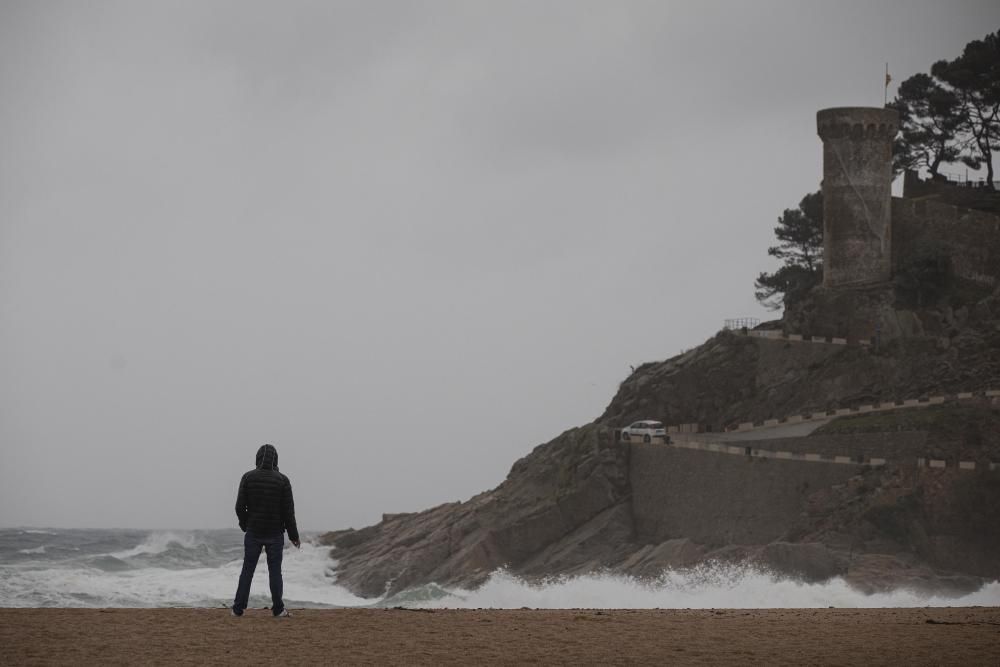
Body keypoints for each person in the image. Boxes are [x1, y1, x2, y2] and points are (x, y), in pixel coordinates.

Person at [231, 443, 300, 617]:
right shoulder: (282, 480)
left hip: (253, 532)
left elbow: (240, 507)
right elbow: (288, 512)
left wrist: (245, 525)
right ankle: (278, 610)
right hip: (275, 534)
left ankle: (238, 610)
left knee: (247, 571)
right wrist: (293, 536)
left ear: (257, 458)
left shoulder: (248, 477)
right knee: (275, 572)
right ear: (275, 459)